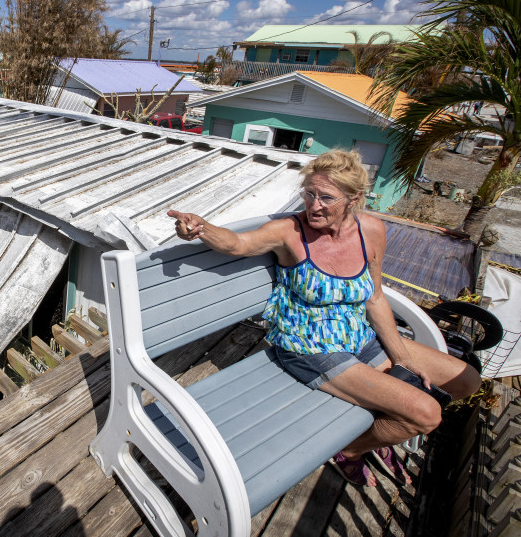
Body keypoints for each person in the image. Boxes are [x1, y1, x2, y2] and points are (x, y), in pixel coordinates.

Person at [167, 149, 480, 486]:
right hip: (309, 346)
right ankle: (351, 450)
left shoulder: (371, 230)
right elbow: (239, 243)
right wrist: (201, 228)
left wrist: (403, 358)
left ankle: (377, 427)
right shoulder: (289, 231)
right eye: (309, 193)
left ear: (354, 199)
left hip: (360, 338)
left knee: (466, 381)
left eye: (326, 197)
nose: (313, 205)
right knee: (426, 414)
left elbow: (374, 298)